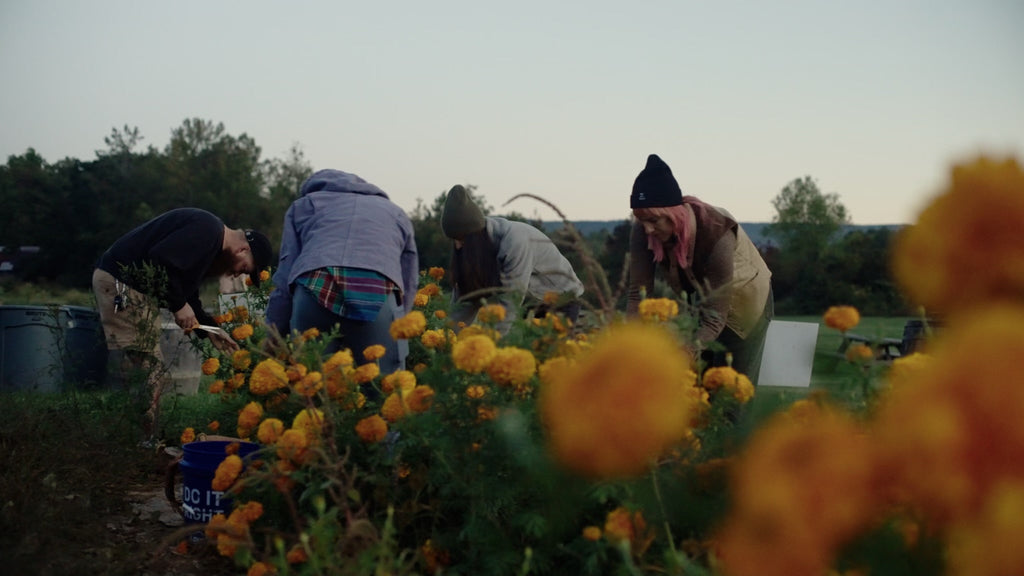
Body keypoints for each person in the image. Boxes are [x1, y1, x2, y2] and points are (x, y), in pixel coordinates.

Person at [92, 208, 274, 434]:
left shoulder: (210, 239)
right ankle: (140, 441)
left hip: (132, 288)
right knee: (148, 367)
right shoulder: (206, 231)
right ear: (242, 249)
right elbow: (158, 260)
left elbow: (188, 292)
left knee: (148, 367)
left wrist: (210, 329)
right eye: (245, 269)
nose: (238, 275)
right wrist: (178, 305)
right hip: (122, 284)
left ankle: (140, 436)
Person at [626, 154, 773, 384]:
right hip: (705, 296)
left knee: (729, 387)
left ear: (674, 213)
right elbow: (638, 294)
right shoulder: (643, 229)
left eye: (654, 220)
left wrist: (687, 350)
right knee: (697, 385)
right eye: (641, 219)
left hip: (745, 299)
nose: (648, 229)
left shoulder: (716, 232)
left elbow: (716, 318)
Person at [265, 169, 419, 376]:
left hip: (315, 287)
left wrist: (273, 333)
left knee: (315, 387)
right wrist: (400, 324)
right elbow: (409, 280)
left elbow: (285, 274)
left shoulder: (304, 205)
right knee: (382, 389)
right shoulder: (395, 212)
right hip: (375, 290)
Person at [441, 184, 585, 331]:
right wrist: (446, 338)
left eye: (462, 239)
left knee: (549, 352)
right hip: (527, 305)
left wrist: (493, 343)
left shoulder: (515, 241)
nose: (458, 246)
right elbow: (464, 302)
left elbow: (510, 302)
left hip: (560, 301)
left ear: (475, 236)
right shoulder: (476, 247)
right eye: (454, 240)